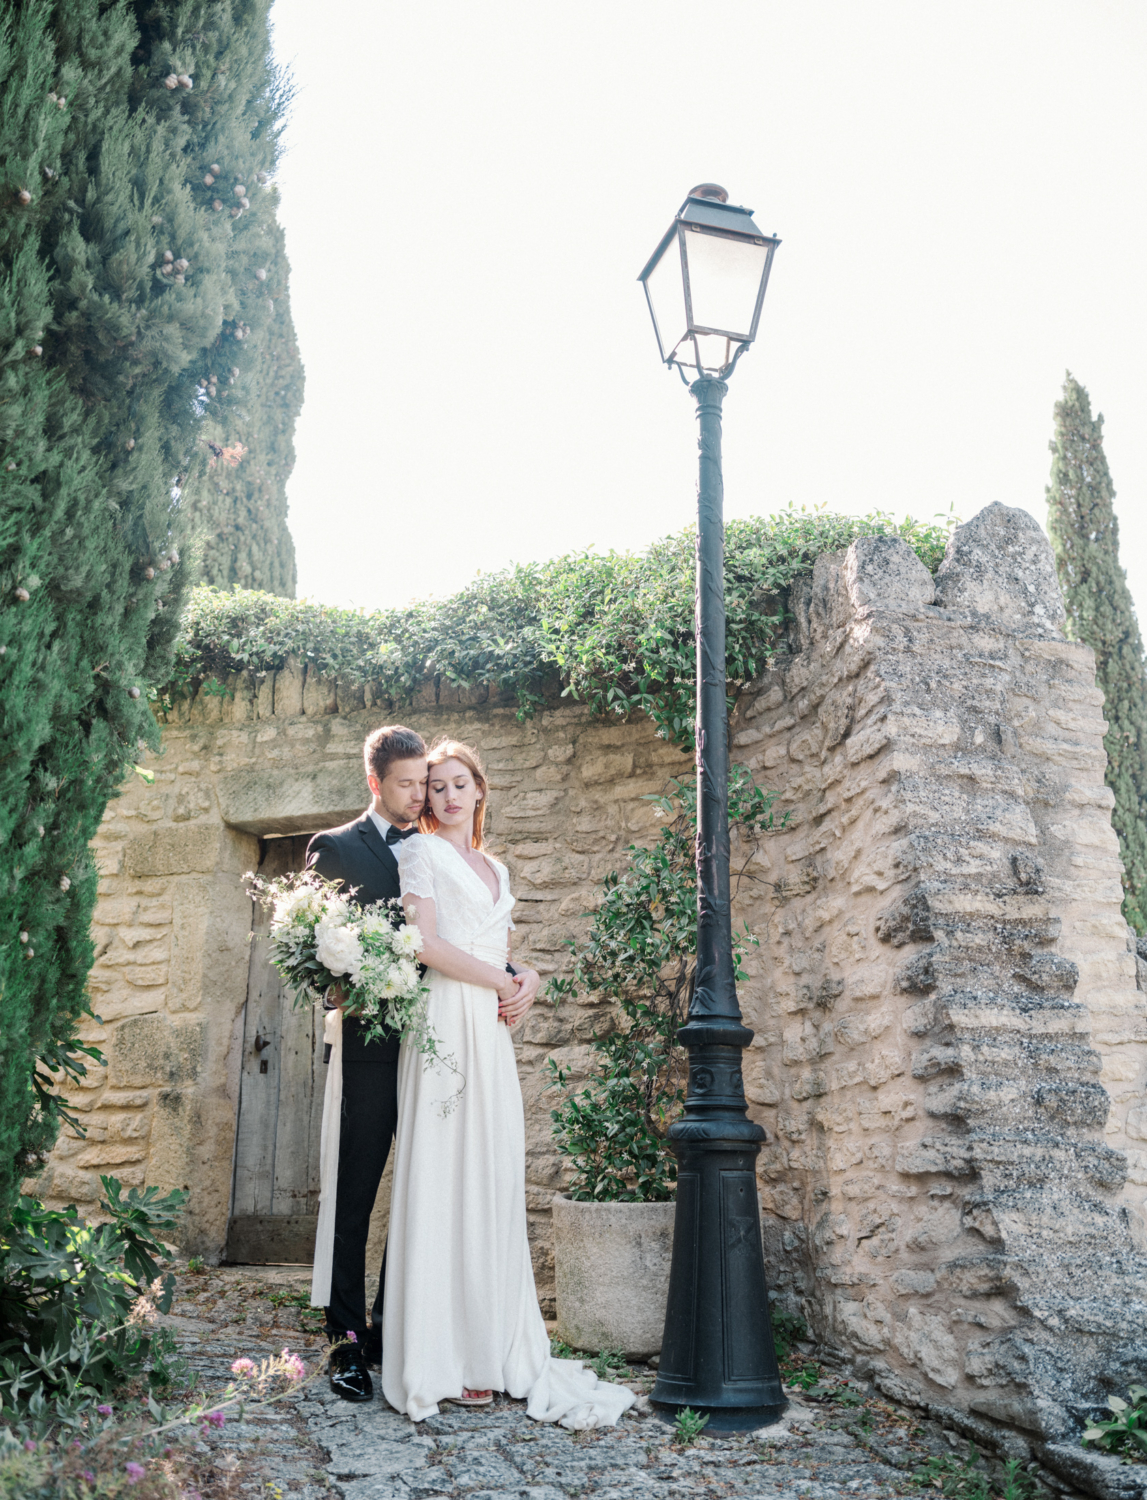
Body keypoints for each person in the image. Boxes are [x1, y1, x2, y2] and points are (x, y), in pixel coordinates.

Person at [383, 738, 635, 1427]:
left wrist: (529, 977)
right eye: (436, 788)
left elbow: (497, 943)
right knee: (445, 1174)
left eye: (459, 783)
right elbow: (425, 943)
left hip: (490, 1030)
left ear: (480, 790)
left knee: (490, 1175)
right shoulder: (419, 853)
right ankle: (445, 1358)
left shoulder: (493, 865)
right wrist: (503, 980)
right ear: (426, 799)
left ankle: (493, 1350)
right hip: (445, 1018)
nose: (448, 796)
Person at [305, 724, 541, 1402]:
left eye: (427, 785)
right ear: (376, 783)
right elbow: (313, 950)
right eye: (408, 785)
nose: (420, 796)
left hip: (448, 1033)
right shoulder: (339, 849)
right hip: (374, 1046)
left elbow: (473, 931)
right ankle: (346, 1339)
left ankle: (401, 1326)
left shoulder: (434, 849)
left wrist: (521, 970)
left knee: (436, 1184)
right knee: (355, 1194)